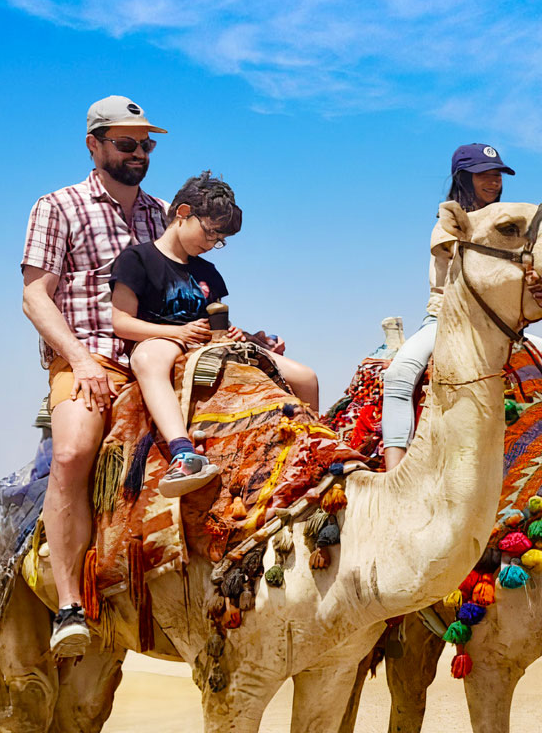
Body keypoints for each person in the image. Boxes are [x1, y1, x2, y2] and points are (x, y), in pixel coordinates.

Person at [21, 95, 172, 659]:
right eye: (125, 143)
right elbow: (35, 295)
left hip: (156, 352)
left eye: (146, 144)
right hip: (89, 358)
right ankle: (68, 604)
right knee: (74, 452)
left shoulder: (162, 213)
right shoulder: (57, 206)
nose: (139, 153)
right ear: (94, 145)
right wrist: (80, 360)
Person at [380, 143, 542, 486]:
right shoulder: (453, 222)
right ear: (464, 177)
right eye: (485, 175)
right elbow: (474, 273)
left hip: (502, 326)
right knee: (399, 376)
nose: (494, 183)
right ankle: (395, 474)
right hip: (447, 322)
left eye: (497, 175)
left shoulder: (514, 225)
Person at [110, 172, 320, 497]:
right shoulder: (137, 260)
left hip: (208, 344)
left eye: (219, 240)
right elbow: (122, 322)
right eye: (209, 233)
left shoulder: (206, 271)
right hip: (161, 338)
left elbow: (216, 317)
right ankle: (182, 453)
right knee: (150, 359)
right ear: (182, 213)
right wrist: (177, 331)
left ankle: (313, 446)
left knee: (304, 376)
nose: (211, 245)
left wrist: (243, 334)